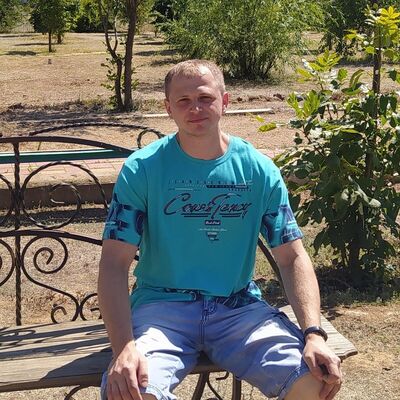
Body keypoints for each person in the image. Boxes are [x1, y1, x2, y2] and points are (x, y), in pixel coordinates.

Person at [98, 59, 342, 400]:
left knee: (315, 383)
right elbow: (114, 263)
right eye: (183, 101)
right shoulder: (143, 169)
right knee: (132, 392)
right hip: (161, 310)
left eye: (205, 98)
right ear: (168, 108)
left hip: (238, 309)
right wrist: (124, 347)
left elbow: (292, 256)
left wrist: (313, 334)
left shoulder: (258, 170)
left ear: (224, 102)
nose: (195, 108)